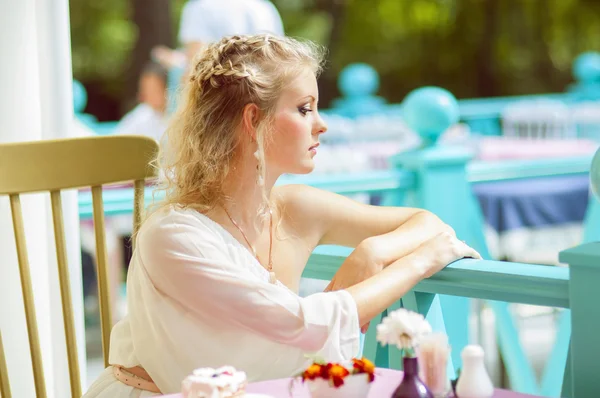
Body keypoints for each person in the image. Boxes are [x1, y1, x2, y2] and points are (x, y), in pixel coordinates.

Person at [84, 34, 480, 397]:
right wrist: (421, 262)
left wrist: (371, 253)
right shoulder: (173, 235)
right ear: (253, 120)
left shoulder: (296, 207)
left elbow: (429, 223)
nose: (321, 125)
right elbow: (300, 323)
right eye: (305, 109)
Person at [113, 62, 169, 141]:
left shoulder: (177, 116)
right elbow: (117, 139)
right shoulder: (141, 114)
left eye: (154, 90)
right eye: (145, 89)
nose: (148, 95)